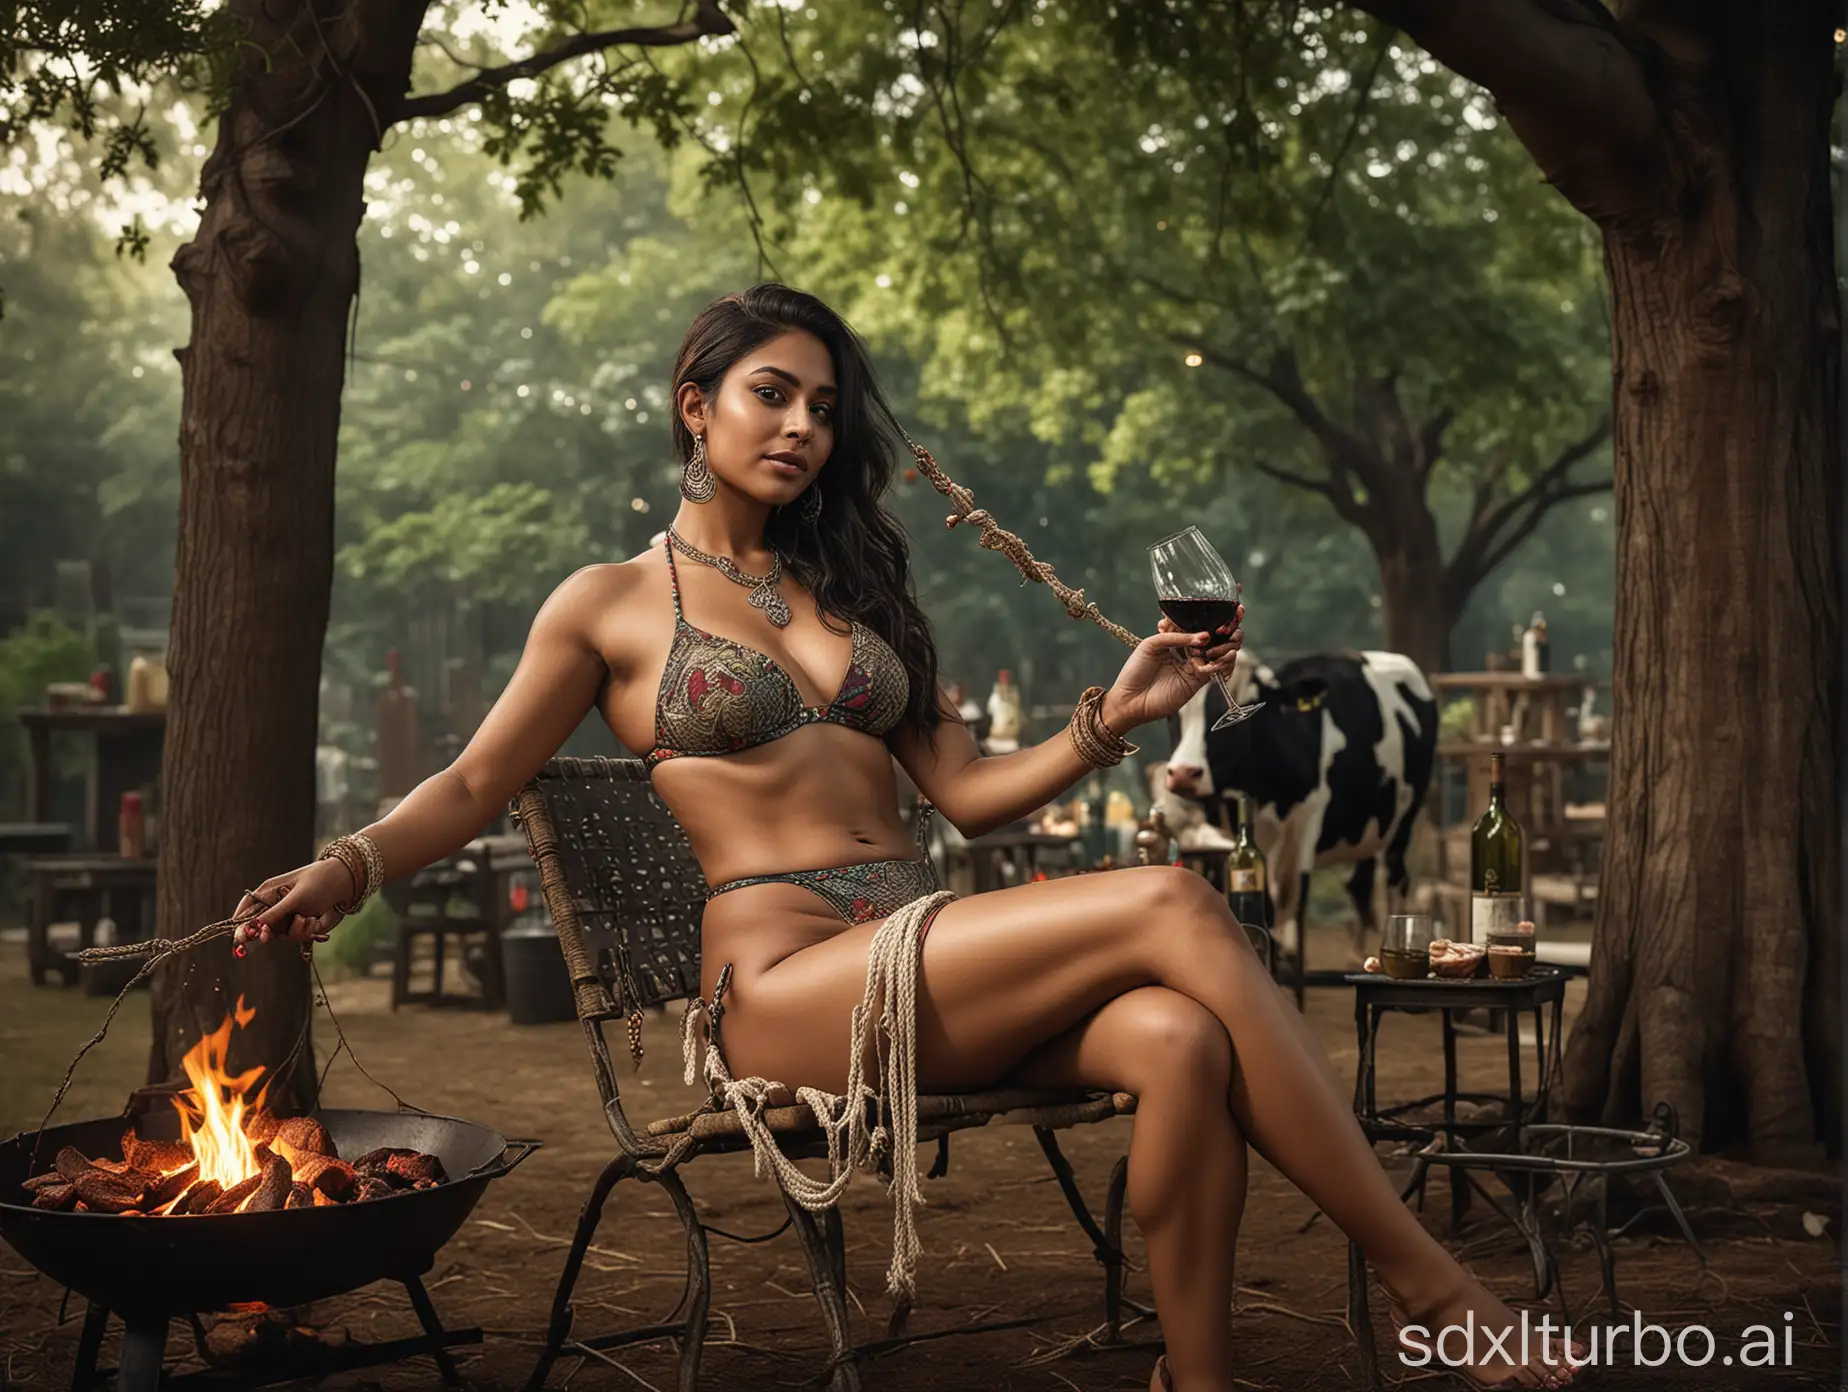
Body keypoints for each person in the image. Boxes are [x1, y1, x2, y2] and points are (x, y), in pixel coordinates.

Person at [235, 284, 1576, 1391]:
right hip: (782, 988)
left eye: (825, 407)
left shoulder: (856, 591)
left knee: (1182, 1037)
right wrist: (347, 865)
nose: (805, 426)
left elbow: (971, 790)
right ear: (694, 404)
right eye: (773, 393)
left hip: (921, 957)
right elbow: (474, 781)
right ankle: (1441, 1293)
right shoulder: (609, 603)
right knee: (1177, 908)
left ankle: (1198, 1378)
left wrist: (1125, 710)